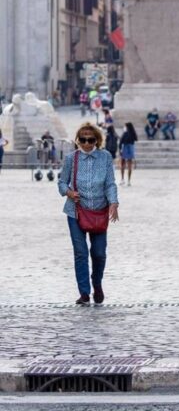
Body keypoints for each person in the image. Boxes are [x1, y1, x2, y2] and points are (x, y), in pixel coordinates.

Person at [57, 122, 120, 305]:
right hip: (75, 211)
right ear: (78, 140)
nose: (86, 143)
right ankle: (84, 292)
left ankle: (97, 283)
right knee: (80, 252)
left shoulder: (105, 157)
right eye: (83, 140)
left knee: (99, 253)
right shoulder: (71, 158)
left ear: (97, 140)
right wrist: (69, 192)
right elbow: (61, 183)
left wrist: (114, 203)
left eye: (90, 140)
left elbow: (110, 183)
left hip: (99, 211)